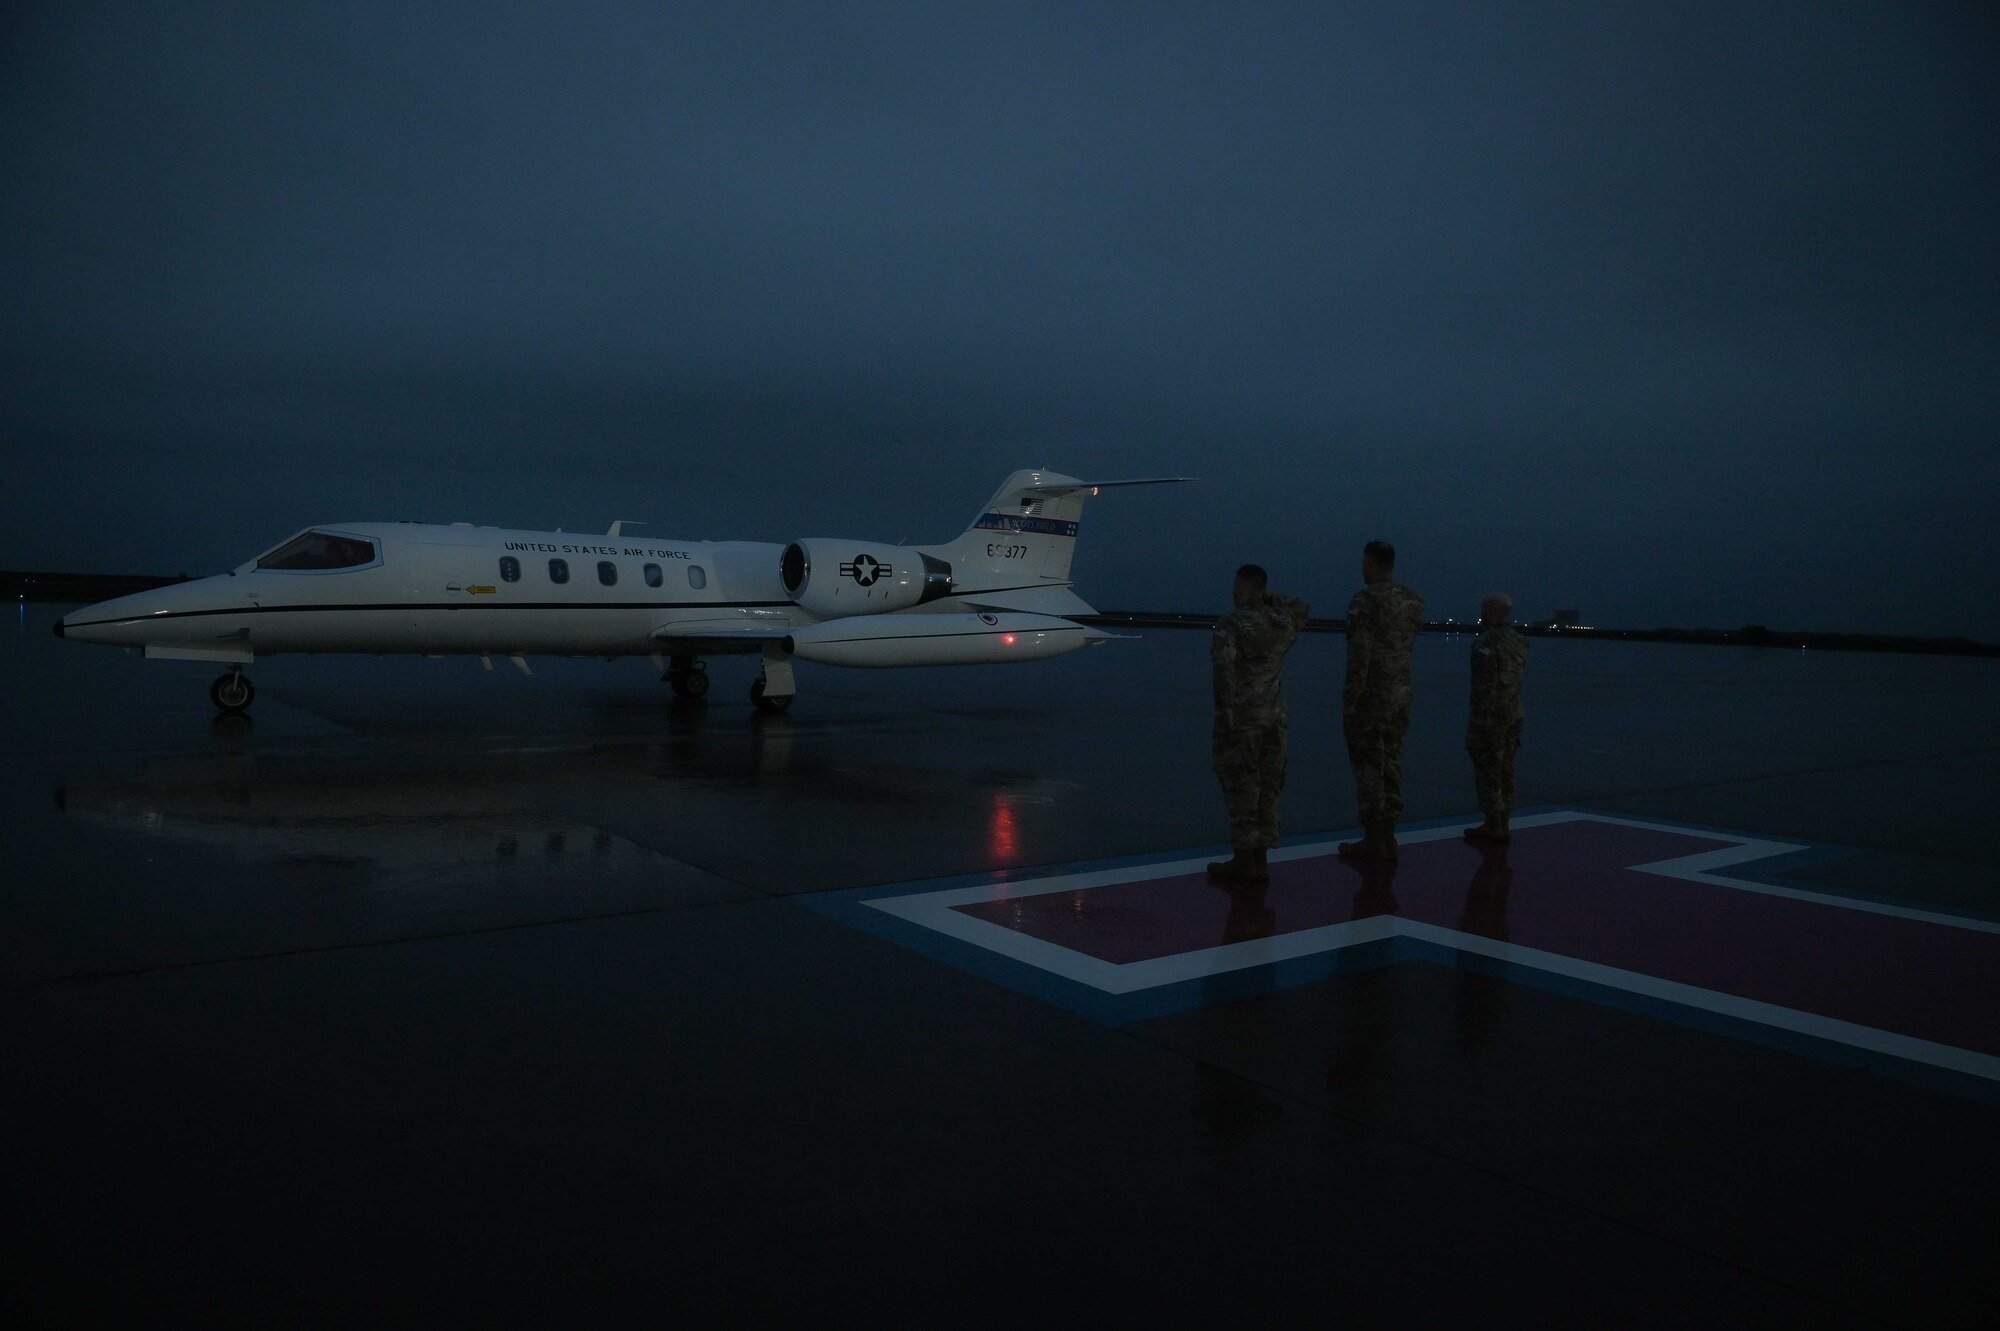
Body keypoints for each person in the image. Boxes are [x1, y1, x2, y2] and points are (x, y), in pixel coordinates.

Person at [1208, 564, 1310, 882]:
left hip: (1242, 721)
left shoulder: (1232, 624)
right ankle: (1261, 857)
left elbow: (1223, 673)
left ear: (1244, 587)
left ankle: (1243, 858)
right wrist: (1268, 598)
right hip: (1274, 720)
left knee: (1242, 789)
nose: (1234, 591)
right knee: (1268, 788)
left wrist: (1225, 717)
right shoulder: (1281, 622)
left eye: (1238, 586)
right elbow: (1301, 607)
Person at [1339, 540, 1424, 860]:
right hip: (1400, 693)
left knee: (1369, 766)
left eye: (1364, 562)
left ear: (1371, 563)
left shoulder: (1365, 601)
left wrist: (1351, 699)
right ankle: (1389, 835)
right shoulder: (1413, 599)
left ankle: (1374, 837)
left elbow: (1359, 654)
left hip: (1372, 695)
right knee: (1391, 761)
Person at [1464, 592, 1528, 843]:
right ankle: (1503, 823)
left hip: (1490, 718)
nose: (1481, 614)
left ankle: (1493, 824)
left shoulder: (1485, 643)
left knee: (1488, 770)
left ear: (1492, 612)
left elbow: (1483, 687)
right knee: (1506, 769)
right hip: (1513, 714)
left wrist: (1479, 722)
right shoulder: (1520, 641)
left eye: (1484, 609)